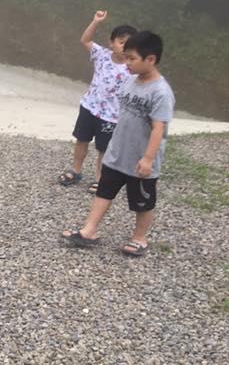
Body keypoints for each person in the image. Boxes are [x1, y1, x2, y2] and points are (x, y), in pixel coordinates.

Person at [62, 31, 174, 257]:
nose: (127, 63)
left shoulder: (160, 92)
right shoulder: (130, 80)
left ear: (150, 59)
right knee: (104, 191)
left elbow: (159, 128)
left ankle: (139, 238)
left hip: (140, 160)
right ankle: (89, 230)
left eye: (132, 58)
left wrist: (148, 159)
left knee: (142, 202)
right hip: (116, 153)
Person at [58, 12, 137, 193]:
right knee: (81, 140)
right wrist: (95, 22)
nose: (125, 47)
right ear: (112, 42)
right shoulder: (101, 54)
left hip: (111, 117)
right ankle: (76, 170)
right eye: (122, 41)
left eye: (130, 44)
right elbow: (85, 41)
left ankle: (100, 179)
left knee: (104, 149)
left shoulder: (132, 68)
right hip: (89, 106)